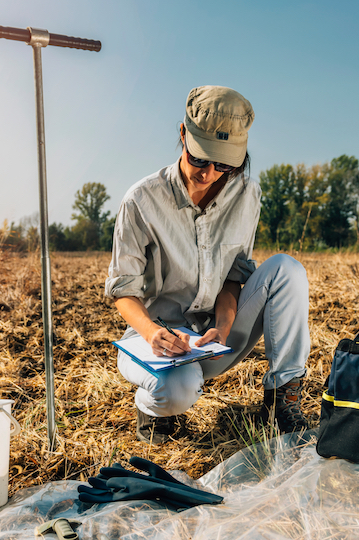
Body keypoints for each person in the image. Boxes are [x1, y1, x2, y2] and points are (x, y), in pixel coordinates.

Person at [105, 85, 311, 443]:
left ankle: (282, 399)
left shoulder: (247, 194)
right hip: (156, 342)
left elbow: (234, 277)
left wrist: (224, 326)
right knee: (177, 393)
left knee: (287, 270)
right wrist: (155, 334)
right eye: (199, 158)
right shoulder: (140, 200)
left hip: (215, 338)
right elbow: (124, 291)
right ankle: (153, 406)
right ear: (183, 134)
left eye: (224, 164)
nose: (208, 173)